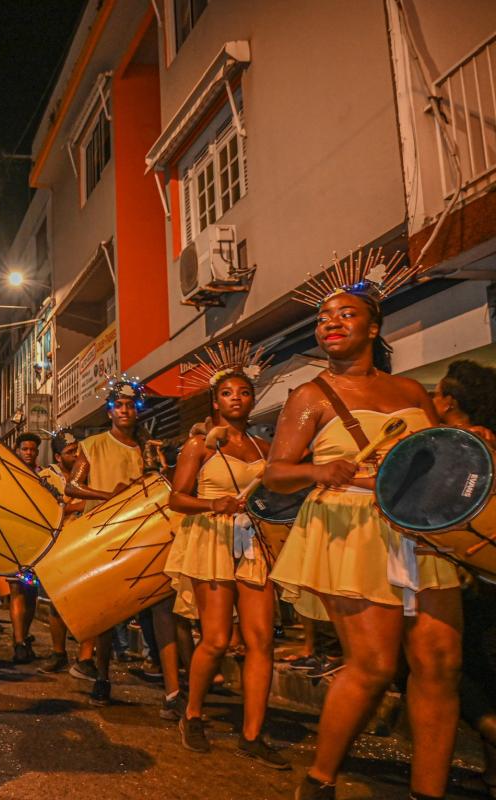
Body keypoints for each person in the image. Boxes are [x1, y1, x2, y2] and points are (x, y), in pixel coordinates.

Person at [263, 250, 461, 800]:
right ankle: (319, 780)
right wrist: (319, 469)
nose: (330, 322)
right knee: (372, 665)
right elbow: (276, 474)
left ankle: (429, 790)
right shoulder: (311, 395)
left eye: (344, 314)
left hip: (421, 530)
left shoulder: (411, 393)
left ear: (374, 326)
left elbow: (443, 455)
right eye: (323, 317)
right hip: (352, 530)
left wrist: (476, 443)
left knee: (440, 663)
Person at [164, 341, 287, 768]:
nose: (238, 399)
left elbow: (277, 494)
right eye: (229, 393)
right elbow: (177, 499)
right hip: (212, 541)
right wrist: (213, 504)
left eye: (245, 392)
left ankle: (253, 734)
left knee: (261, 641)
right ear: (215, 401)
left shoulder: (263, 448)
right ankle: (193, 713)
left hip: (251, 542)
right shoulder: (199, 446)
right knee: (215, 639)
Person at [432, 359, 496, 797]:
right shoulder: (490, 439)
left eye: (435, 394)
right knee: (488, 669)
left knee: (450, 667)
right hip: (490, 564)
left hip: (468, 569)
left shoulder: (456, 446)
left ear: (450, 401)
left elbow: (440, 507)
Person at [74, 376, 146, 706]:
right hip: (102, 533)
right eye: (120, 405)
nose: (126, 410)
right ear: (110, 412)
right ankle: (102, 677)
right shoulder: (92, 446)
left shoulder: (146, 448)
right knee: (104, 613)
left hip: (141, 534)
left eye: (131, 405)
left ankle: (171, 683)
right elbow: (71, 488)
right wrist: (109, 496)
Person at [36, 429, 88, 674]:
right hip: (59, 547)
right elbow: (46, 512)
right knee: (57, 604)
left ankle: (87, 658)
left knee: (89, 602)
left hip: (87, 544)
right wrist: (77, 505)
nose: (76, 454)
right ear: (58, 457)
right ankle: (59, 653)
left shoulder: (88, 470)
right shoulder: (47, 477)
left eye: (77, 448)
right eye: (70, 452)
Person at [9, 432, 43, 663]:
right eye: (25, 449)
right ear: (17, 450)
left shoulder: (42, 476)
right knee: (17, 591)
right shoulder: (10, 473)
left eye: (32, 450)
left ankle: (23, 636)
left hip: (37, 544)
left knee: (31, 593)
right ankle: (19, 642)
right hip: (14, 541)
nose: (29, 453)